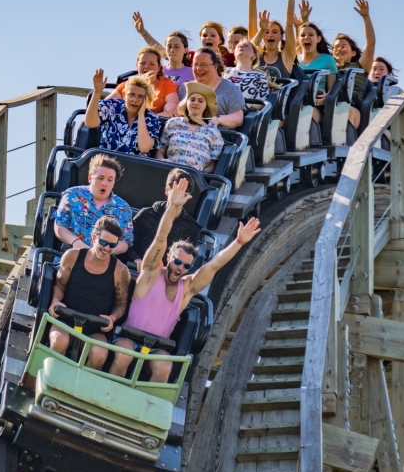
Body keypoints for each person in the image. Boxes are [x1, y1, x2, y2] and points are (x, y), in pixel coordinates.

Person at [111, 178, 261, 381]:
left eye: (186, 266)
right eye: (178, 262)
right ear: (169, 258)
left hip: (157, 346)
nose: (180, 268)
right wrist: (173, 207)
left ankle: (147, 407)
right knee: (123, 356)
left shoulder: (187, 288)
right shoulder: (151, 272)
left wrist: (239, 241)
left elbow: (215, 264)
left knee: (164, 369)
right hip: (128, 337)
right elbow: (161, 237)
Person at [47, 217, 131, 372]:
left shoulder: (121, 271)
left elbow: (121, 303)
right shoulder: (72, 256)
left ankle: (78, 390)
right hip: (66, 319)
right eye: (104, 242)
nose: (107, 248)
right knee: (59, 341)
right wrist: (55, 301)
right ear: (94, 237)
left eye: (112, 245)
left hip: (94, 328)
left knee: (99, 354)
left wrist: (112, 318)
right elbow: (59, 285)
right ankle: (53, 379)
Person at [53, 153, 135, 254]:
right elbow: (59, 226)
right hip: (71, 254)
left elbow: (125, 241)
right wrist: (75, 241)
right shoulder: (72, 195)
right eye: (100, 178)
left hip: (103, 262)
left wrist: (108, 250)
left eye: (110, 180)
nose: (104, 183)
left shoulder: (124, 208)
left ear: (114, 183)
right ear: (90, 178)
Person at [128, 168, 203, 265]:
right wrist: (136, 259)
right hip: (137, 268)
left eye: (184, 193)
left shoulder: (192, 227)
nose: (179, 197)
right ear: (167, 191)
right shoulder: (146, 214)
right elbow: (128, 243)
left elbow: (188, 259)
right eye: (176, 192)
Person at [85, 69, 161, 155]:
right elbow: (90, 123)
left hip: (135, 166)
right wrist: (97, 92)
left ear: (146, 99)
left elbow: (144, 148)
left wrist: (141, 115)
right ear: (124, 95)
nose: (135, 100)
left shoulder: (152, 118)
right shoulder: (112, 106)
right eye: (131, 95)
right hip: (106, 162)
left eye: (140, 96)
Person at [329, 0, 376, 129]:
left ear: (353, 52)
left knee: (344, 111)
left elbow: (371, 44)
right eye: (335, 47)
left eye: (343, 46)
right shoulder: (329, 67)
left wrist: (366, 17)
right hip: (330, 103)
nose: (339, 49)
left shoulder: (360, 67)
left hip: (352, 108)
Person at [157, 82, 224, 172]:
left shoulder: (213, 132)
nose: (195, 103)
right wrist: (162, 162)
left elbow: (213, 163)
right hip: (169, 172)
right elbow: (160, 151)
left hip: (196, 176)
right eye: (192, 100)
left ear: (205, 106)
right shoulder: (172, 123)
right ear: (186, 103)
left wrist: (202, 171)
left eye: (200, 101)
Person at [179, 48, 246, 128]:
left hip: (218, 136)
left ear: (215, 67)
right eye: (195, 64)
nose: (199, 69)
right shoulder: (185, 88)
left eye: (203, 65)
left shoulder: (231, 90)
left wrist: (218, 120)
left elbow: (238, 118)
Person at [248, 0, 297, 79]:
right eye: (266, 32)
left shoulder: (286, 56)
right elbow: (252, 22)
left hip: (279, 95)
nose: (270, 35)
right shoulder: (256, 56)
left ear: (281, 36)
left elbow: (289, 25)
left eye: (275, 32)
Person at [107, 47, 179, 116]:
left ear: (158, 68)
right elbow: (105, 106)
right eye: (143, 63)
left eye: (152, 64)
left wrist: (150, 121)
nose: (147, 66)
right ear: (137, 66)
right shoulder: (126, 85)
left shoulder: (166, 83)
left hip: (157, 125)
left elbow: (173, 110)